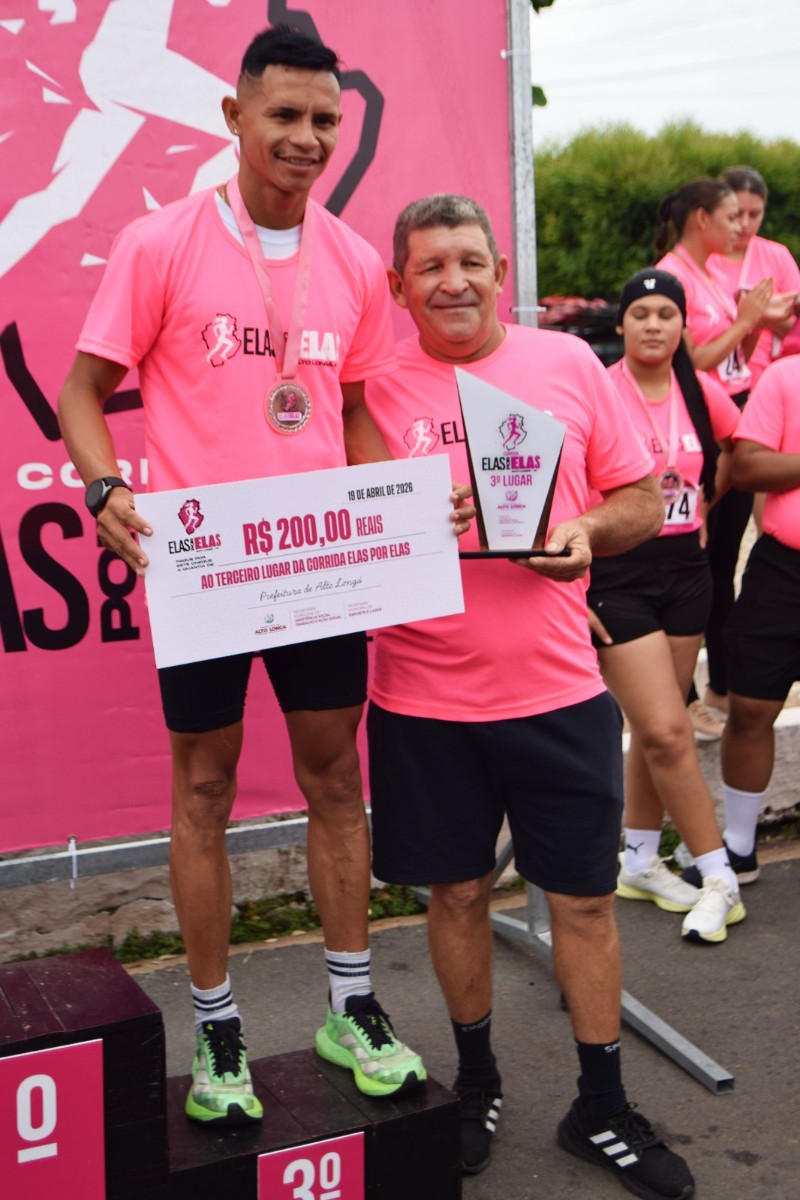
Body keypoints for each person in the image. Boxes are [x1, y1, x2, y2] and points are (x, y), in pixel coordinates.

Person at [58, 26, 469, 1126]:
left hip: (319, 566)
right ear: (234, 117)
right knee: (204, 791)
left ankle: (350, 1005)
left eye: (324, 119)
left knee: (334, 782)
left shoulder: (353, 262)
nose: (306, 137)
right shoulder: (161, 243)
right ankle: (217, 1025)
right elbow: (81, 391)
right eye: (283, 115)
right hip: (208, 568)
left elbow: (352, 412)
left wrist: (400, 508)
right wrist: (103, 489)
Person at [365, 194, 695, 1199]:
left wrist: (588, 533)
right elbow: (333, 529)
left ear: (500, 272)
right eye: (430, 266)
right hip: (421, 697)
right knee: (458, 895)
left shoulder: (568, 366)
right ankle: (475, 1084)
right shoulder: (367, 388)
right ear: (398, 285)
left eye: (470, 261)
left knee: (584, 904)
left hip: (556, 690)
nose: (453, 281)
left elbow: (641, 500)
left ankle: (600, 1105)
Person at [586, 269, 745, 941]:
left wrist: (703, 507)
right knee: (667, 729)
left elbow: (731, 453)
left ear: (684, 325)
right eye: (641, 313)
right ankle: (720, 876)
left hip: (686, 570)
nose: (653, 325)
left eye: (666, 314)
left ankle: (641, 858)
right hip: (618, 573)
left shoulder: (702, 390)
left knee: (654, 726)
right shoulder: (598, 388)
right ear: (621, 323)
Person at [654, 179, 778, 734]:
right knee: (694, 562)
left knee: (723, 562)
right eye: (731, 217)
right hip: (697, 430)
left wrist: (752, 325)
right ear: (701, 219)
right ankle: (678, 695)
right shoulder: (673, 276)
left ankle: (719, 686)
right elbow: (690, 363)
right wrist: (747, 322)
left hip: (733, 417)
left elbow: (733, 360)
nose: (740, 228)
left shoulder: (714, 272)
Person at [704, 355, 800, 886]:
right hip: (782, 570)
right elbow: (746, 468)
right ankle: (740, 847)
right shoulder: (784, 376)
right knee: (749, 707)